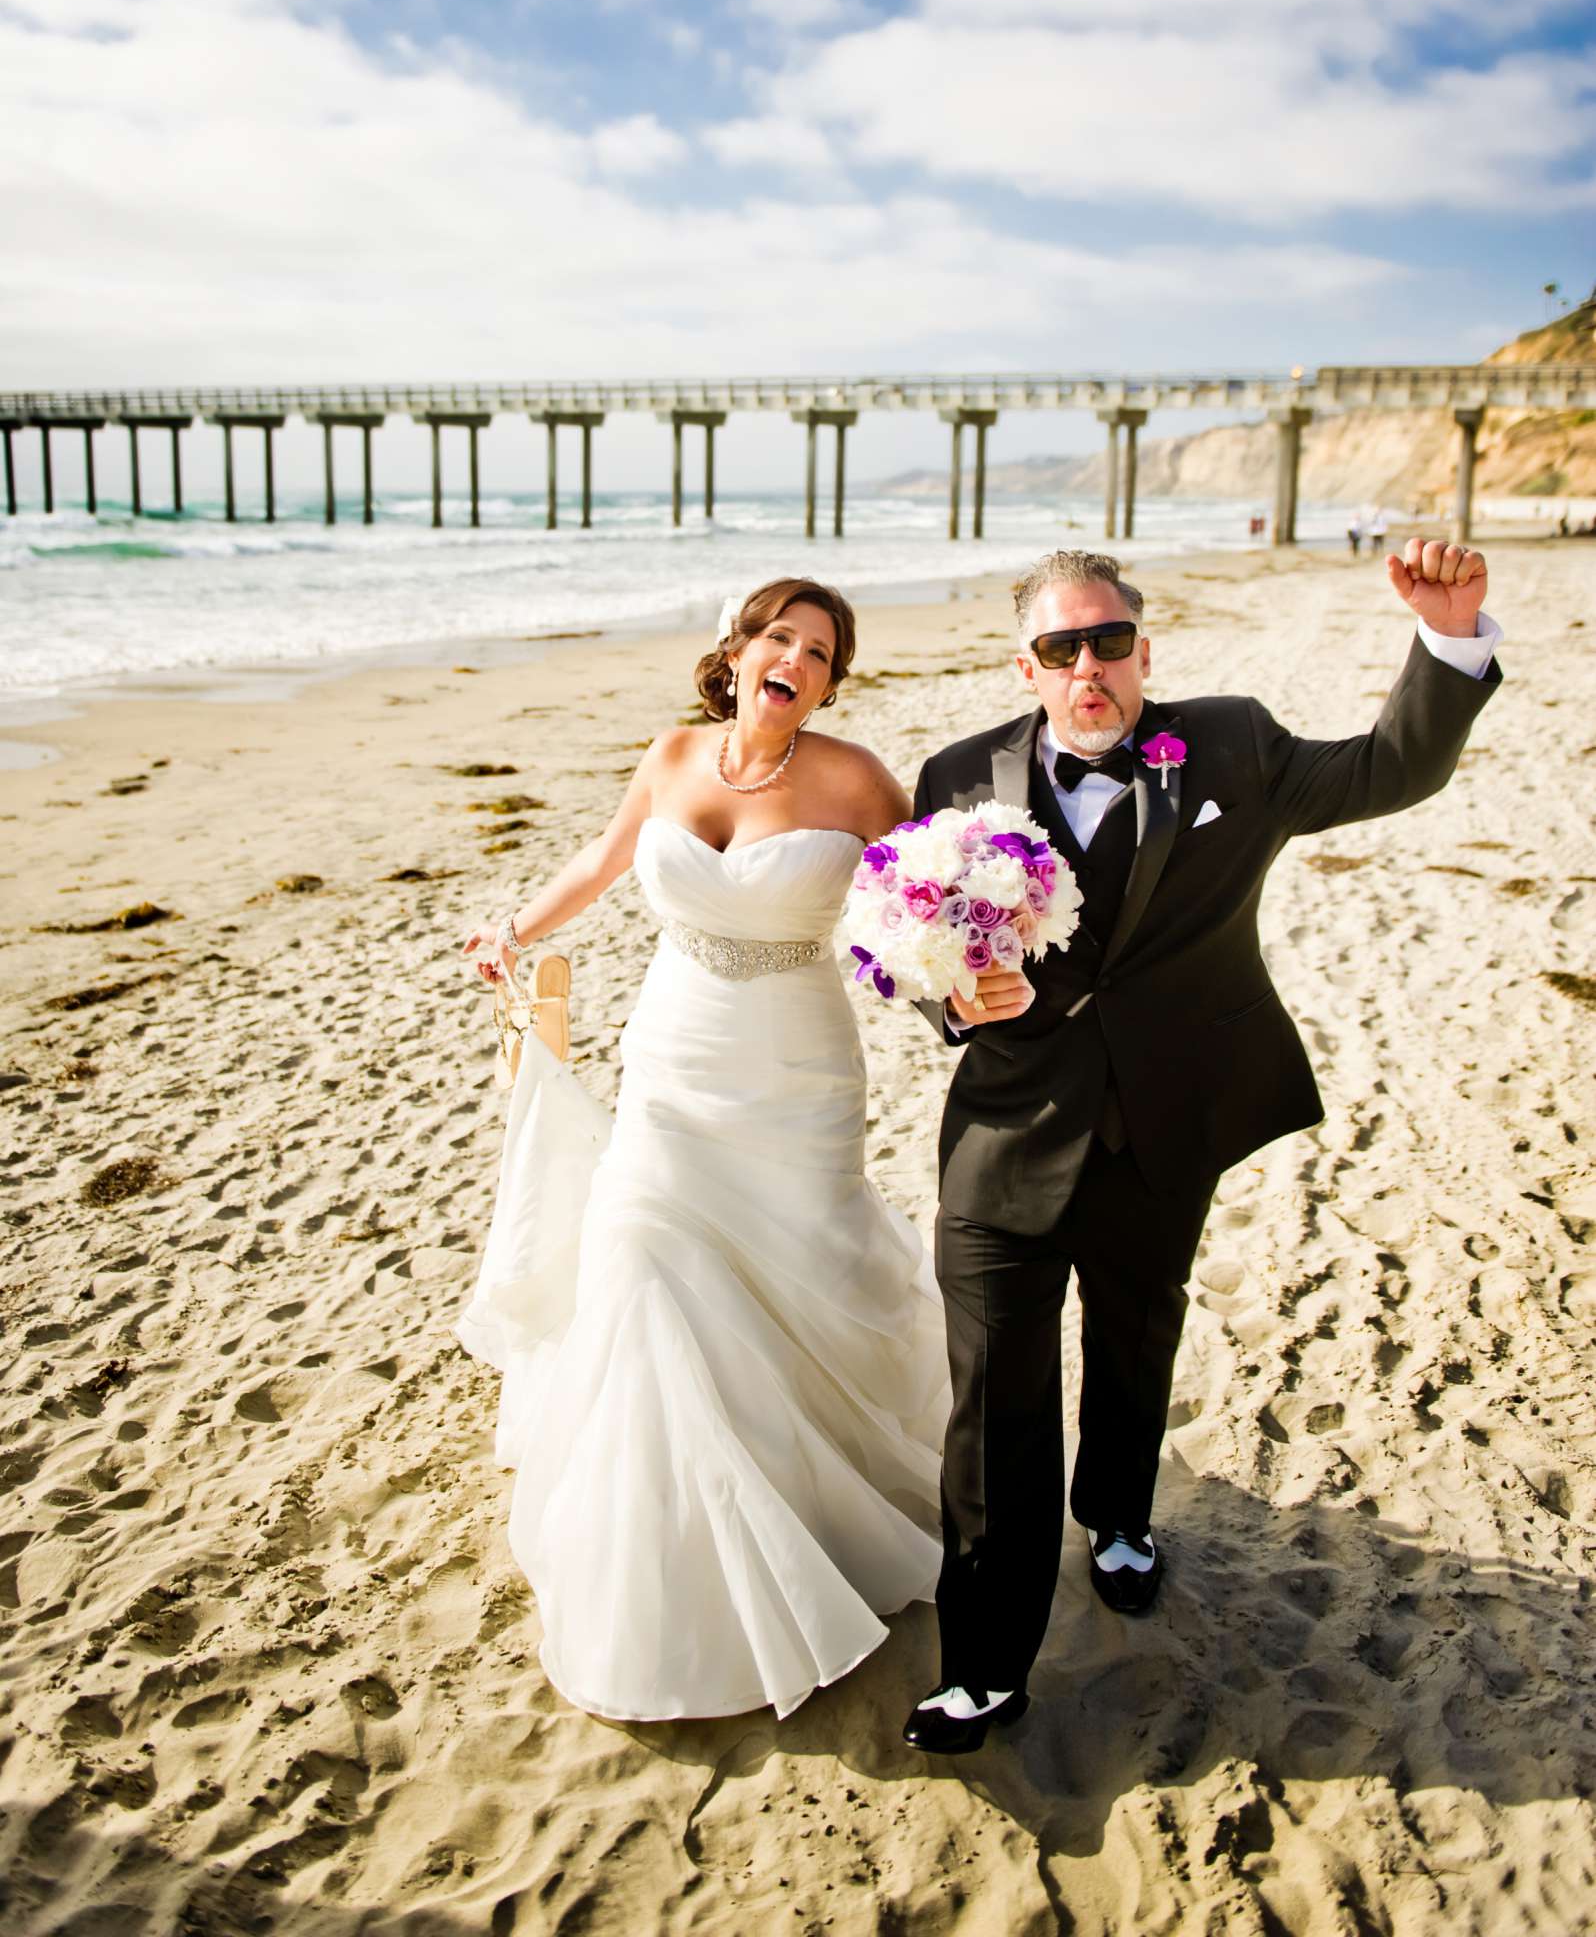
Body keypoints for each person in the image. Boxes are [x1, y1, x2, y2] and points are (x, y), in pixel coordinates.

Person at [901, 539, 1501, 1753]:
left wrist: (1448, 637)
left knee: (1134, 1338)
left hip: (1169, 1121)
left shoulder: (1229, 742)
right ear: (1026, 664)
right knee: (995, 1407)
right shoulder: (958, 777)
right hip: (1007, 1136)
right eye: (1062, 646)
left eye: (1108, 639)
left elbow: (1390, 767)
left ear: (1142, 647)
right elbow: (911, 944)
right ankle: (984, 1663)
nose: (1089, 665)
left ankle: (1119, 1517)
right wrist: (960, 1004)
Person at [457, 578, 950, 1721]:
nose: (795, 660)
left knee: (805, 1270)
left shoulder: (859, 780)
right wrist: (515, 928)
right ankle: (663, 1556)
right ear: (735, 651)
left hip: (799, 1071)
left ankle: (813, 1504)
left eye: (819, 653)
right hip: (673, 1058)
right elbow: (603, 858)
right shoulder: (674, 752)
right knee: (639, 1266)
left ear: (831, 682)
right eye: (779, 636)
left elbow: (931, 899)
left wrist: (974, 967)